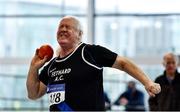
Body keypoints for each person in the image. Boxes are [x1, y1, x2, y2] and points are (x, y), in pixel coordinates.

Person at [26, 15, 161, 111]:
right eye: (61, 27)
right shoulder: (52, 66)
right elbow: (34, 94)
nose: (63, 29)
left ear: (79, 34)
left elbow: (123, 63)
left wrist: (147, 82)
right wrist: (33, 68)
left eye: (68, 27)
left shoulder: (89, 52)